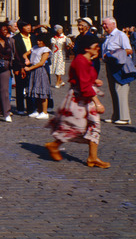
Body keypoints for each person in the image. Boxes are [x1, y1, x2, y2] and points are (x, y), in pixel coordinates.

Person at [45, 38, 109, 168]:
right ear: (87, 48)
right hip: (79, 99)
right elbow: (84, 85)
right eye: (95, 46)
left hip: (86, 98)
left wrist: (94, 81)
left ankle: (92, 157)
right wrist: (98, 103)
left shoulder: (87, 60)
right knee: (74, 126)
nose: (98, 48)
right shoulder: (80, 61)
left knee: (93, 125)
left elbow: (84, 78)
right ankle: (54, 145)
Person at [101, 17, 133, 125]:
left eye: (106, 24)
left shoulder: (120, 35)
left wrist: (113, 54)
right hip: (110, 66)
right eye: (103, 24)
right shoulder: (108, 37)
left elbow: (129, 50)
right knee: (113, 91)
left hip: (120, 66)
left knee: (121, 90)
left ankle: (125, 117)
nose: (104, 26)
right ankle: (116, 116)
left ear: (113, 24)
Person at [25, 32, 52, 119]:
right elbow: (25, 54)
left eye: (40, 41)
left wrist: (30, 68)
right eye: (38, 40)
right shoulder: (34, 47)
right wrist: (26, 59)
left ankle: (44, 112)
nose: (38, 42)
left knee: (42, 91)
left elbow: (41, 63)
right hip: (33, 71)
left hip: (40, 71)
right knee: (36, 91)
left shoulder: (46, 50)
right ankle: (38, 110)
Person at [12, 19, 34, 115]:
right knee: (20, 88)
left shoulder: (33, 37)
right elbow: (15, 54)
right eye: (26, 26)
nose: (29, 27)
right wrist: (19, 67)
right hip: (20, 66)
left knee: (31, 87)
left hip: (33, 65)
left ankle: (31, 108)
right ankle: (20, 108)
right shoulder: (15, 39)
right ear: (21, 28)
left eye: (29, 25)